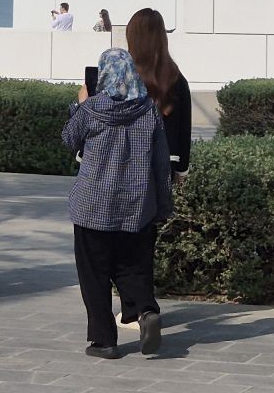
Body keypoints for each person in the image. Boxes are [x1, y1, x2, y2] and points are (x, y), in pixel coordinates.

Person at [63, 48, 171, 360]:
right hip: (136, 206)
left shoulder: (92, 108)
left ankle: (104, 341)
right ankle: (146, 311)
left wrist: (79, 104)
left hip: (93, 206)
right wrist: (162, 205)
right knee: (130, 266)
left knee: (94, 273)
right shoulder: (149, 110)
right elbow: (161, 163)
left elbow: (68, 139)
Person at [127, 8, 191, 179]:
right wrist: (182, 170)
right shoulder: (176, 79)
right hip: (164, 163)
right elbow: (184, 130)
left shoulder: (121, 76)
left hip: (123, 161)